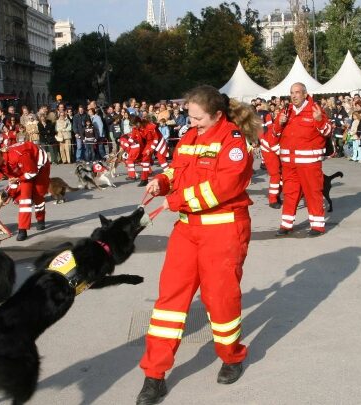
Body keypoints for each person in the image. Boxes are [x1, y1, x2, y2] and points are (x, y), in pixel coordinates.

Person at [137, 85, 260, 404]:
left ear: (218, 115)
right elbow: (176, 169)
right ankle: (154, 374)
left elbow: (223, 186)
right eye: (189, 117)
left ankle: (232, 357)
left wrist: (176, 200)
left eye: (198, 119)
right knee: (169, 300)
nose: (191, 124)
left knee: (220, 301)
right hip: (187, 230)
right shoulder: (190, 137)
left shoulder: (233, 141)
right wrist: (162, 181)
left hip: (223, 230)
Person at [272, 83, 333, 237]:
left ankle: (317, 226)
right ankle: (286, 225)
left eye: (297, 92)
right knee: (289, 194)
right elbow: (274, 134)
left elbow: (327, 131)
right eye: (292, 92)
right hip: (289, 163)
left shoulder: (315, 109)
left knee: (313, 193)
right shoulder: (286, 111)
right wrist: (279, 124)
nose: (294, 96)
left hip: (309, 163)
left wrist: (319, 120)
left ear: (305, 94)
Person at [0, 141, 50, 241]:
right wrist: (9, 194)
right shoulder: (1, 163)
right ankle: (22, 229)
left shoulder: (18, 156)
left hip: (39, 165)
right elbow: (13, 179)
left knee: (38, 193)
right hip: (25, 169)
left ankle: (40, 219)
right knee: (24, 199)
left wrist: (19, 179)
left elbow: (32, 172)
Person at [259, 121, 282, 208]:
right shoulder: (275, 126)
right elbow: (273, 144)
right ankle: (273, 200)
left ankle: (277, 195)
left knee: (282, 175)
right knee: (275, 175)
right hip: (269, 152)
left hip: (271, 148)